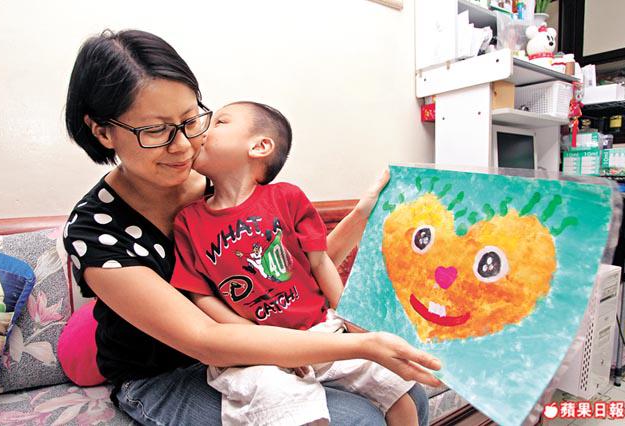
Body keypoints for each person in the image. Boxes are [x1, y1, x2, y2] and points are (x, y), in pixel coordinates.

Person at [62, 29, 441, 426]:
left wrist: (362, 215)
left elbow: (289, 271)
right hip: (166, 373)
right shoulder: (95, 230)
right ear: (102, 131)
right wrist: (357, 345)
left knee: (408, 391)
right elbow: (205, 339)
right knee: (356, 419)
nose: (184, 145)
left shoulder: (222, 180)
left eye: (191, 120)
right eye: (156, 130)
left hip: (258, 339)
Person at [170, 101, 418, 426]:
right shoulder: (188, 222)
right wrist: (266, 345)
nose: (202, 130)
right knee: (288, 408)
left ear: (259, 146)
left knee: (398, 391)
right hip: (254, 354)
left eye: (220, 122)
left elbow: (320, 262)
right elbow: (202, 297)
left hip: (320, 330)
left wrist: (352, 319)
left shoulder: (286, 198)